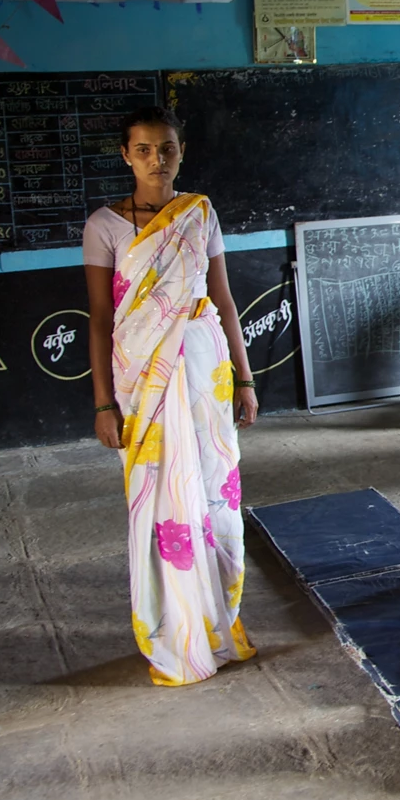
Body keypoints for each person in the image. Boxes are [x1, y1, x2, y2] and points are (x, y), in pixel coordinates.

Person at [84, 106, 259, 687]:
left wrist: (246, 376)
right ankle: (174, 630)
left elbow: (224, 299)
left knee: (213, 493)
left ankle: (217, 622)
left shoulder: (200, 213)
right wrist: (104, 403)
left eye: (167, 149)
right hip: (141, 378)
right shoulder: (105, 226)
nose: (156, 160)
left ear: (181, 152)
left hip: (206, 371)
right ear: (125, 155)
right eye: (143, 150)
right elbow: (102, 317)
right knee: (161, 499)